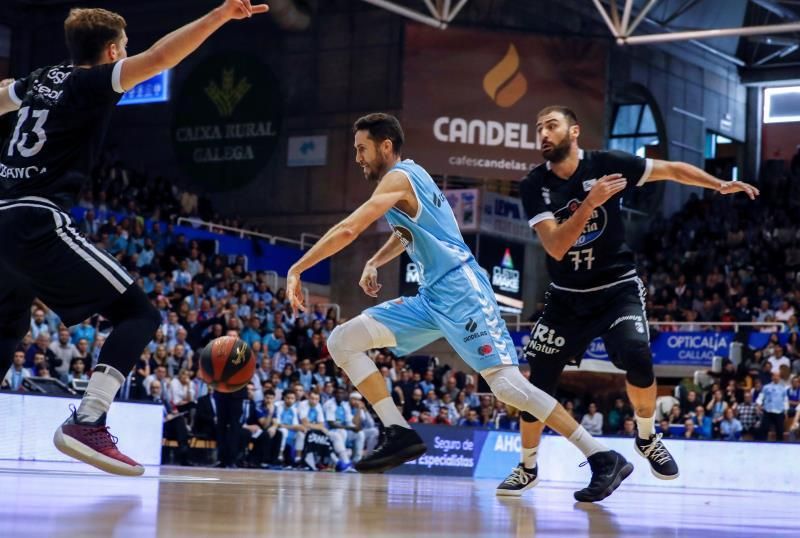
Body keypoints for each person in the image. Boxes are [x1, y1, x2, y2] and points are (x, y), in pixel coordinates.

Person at [285, 113, 632, 502]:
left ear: (385, 146)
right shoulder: (413, 178)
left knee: (506, 386)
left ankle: (602, 457)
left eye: (361, 149)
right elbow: (410, 234)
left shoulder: (397, 178)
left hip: (461, 289)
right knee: (343, 340)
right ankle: (398, 432)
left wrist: (298, 268)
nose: (358, 158)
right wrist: (375, 261)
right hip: (432, 297)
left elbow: (349, 229)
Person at [0, 1, 269, 476]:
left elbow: (3, 94)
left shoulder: (41, 79)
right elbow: (163, 57)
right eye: (124, 48)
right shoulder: (90, 81)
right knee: (139, 313)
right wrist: (219, 16)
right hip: (34, 219)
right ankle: (88, 420)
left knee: (6, 330)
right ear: (110, 51)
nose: (128, 54)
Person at [501, 105, 759, 494]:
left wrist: (718, 185)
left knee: (638, 355)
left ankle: (646, 436)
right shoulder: (533, 185)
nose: (543, 133)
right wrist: (590, 202)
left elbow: (670, 169)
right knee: (537, 386)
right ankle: (528, 465)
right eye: (539, 128)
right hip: (566, 298)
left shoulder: (608, 163)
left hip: (616, 287)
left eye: (551, 126)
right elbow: (555, 247)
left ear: (574, 132)